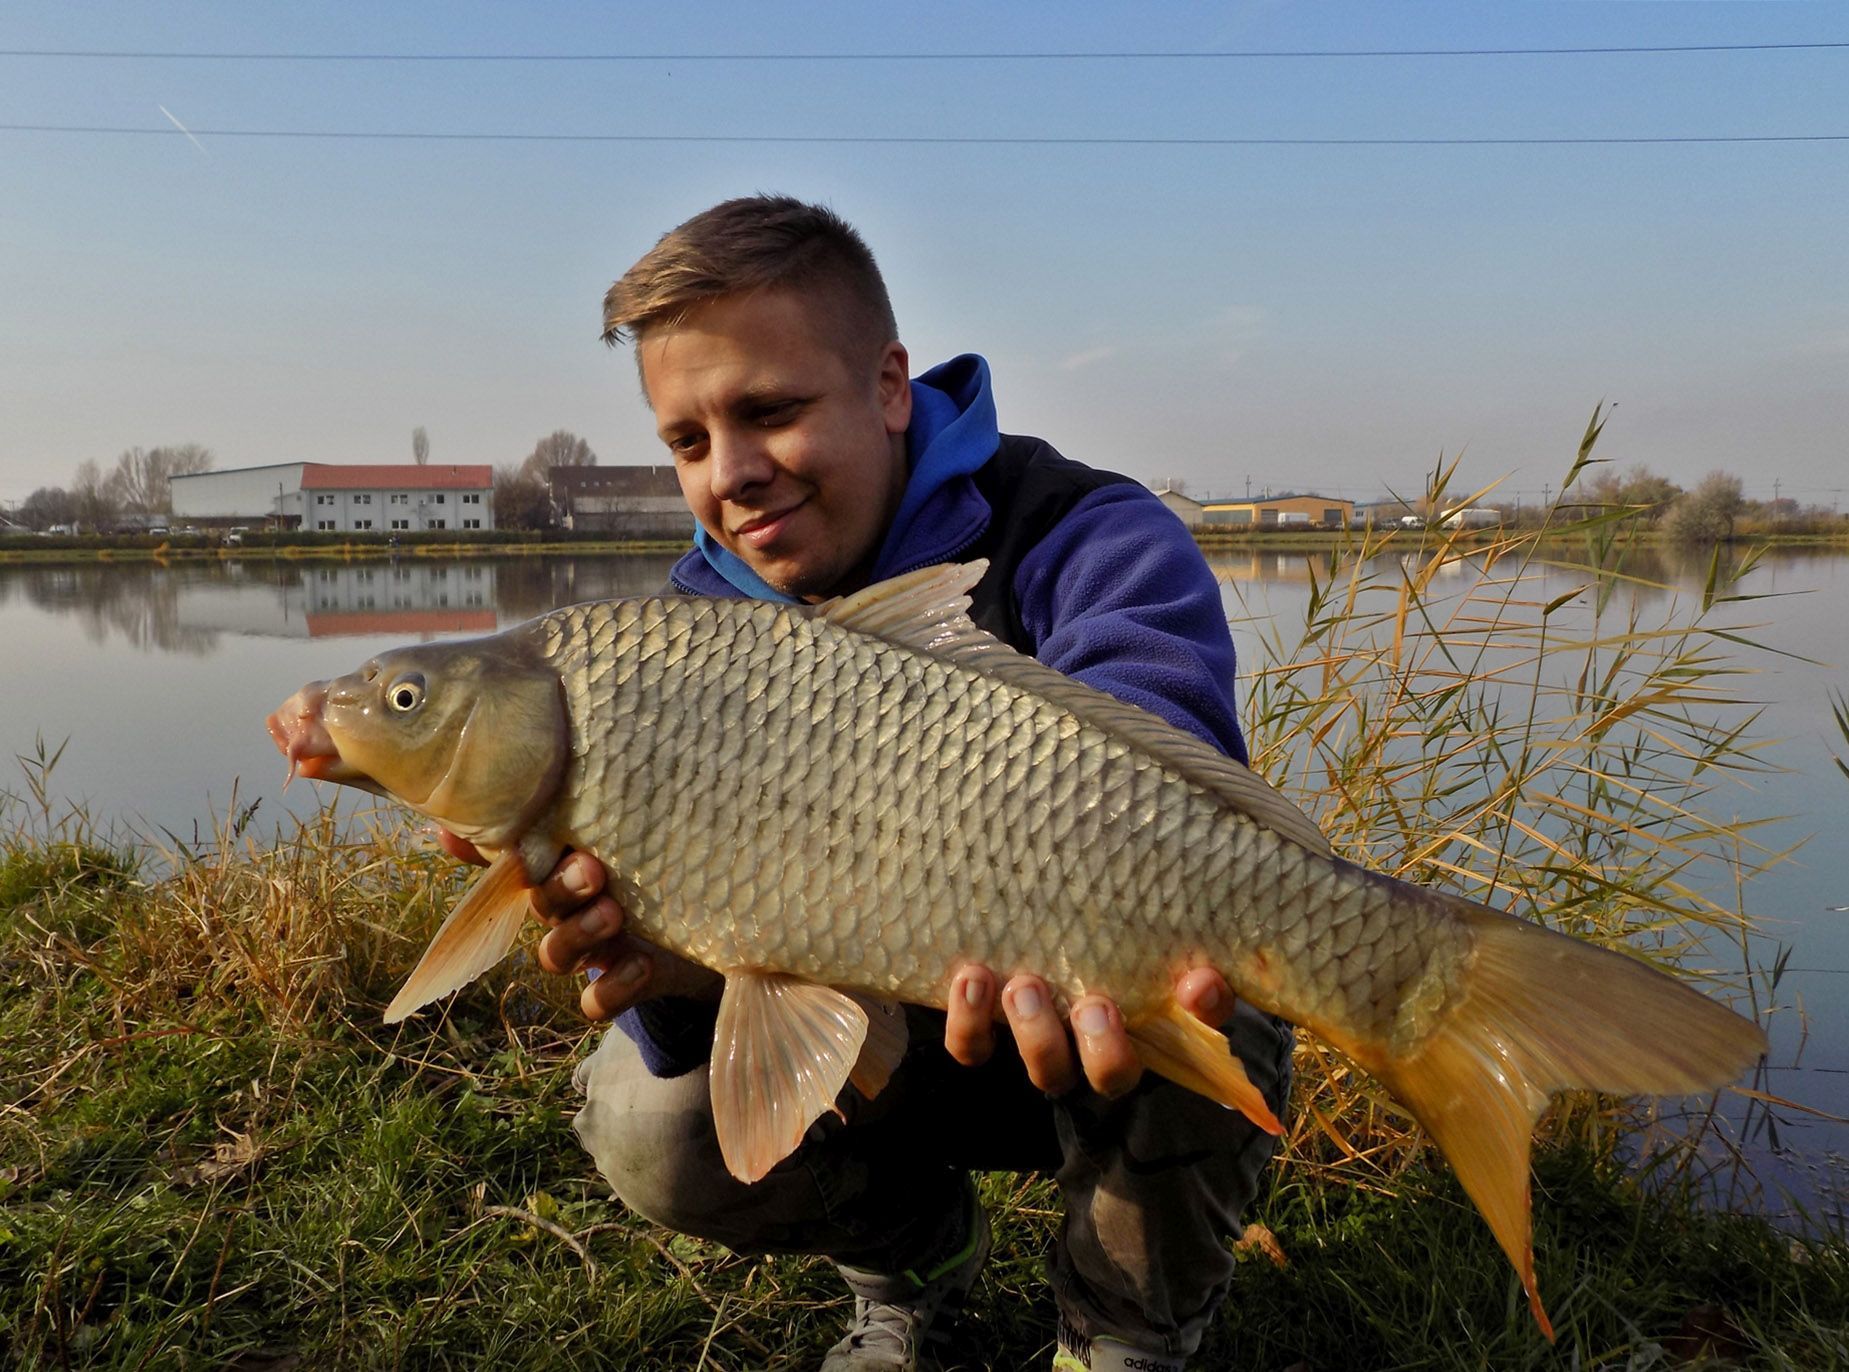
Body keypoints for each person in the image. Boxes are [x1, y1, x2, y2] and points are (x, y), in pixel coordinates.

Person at [448, 195, 1292, 1371]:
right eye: (687, 442)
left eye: (770, 411)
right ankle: (914, 1254)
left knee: (1223, 981)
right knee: (652, 1117)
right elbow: (680, 1029)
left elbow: (1167, 780)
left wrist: (1043, 904)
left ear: (890, 386)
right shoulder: (681, 639)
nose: (731, 476)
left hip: (1080, 1012)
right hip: (881, 1046)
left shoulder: (1082, 530)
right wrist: (671, 955)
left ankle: (1123, 1331)